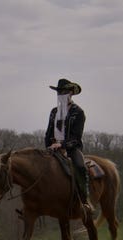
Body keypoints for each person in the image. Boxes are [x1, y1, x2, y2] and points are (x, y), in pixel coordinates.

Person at [44, 78, 93, 213]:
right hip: (52, 148)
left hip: (72, 148)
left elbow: (76, 138)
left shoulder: (78, 112)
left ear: (71, 93)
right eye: (59, 92)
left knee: (80, 166)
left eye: (64, 92)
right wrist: (48, 146)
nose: (61, 95)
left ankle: (84, 200)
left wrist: (61, 145)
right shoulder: (54, 112)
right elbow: (48, 133)